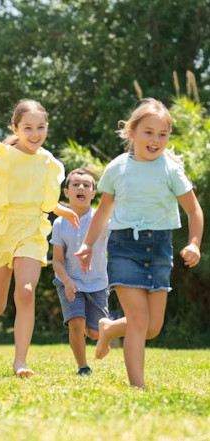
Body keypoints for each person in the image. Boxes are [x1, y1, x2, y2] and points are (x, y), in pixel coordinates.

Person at [75, 98, 203, 388]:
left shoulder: (170, 169)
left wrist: (194, 243)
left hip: (160, 248)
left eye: (162, 134)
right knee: (138, 320)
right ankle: (138, 386)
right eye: (148, 132)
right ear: (132, 133)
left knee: (152, 328)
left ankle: (108, 328)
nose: (156, 140)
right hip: (124, 247)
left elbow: (194, 210)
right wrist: (87, 244)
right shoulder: (118, 168)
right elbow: (104, 211)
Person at [0, 99, 79, 377]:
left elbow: (45, 200)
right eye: (28, 127)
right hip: (1, 228)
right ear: (15, 128)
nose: (35, 133)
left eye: (40, 127)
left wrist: (61, 209)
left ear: (47, 127)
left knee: (25, 292)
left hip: (31, 228)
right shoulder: (2, 155)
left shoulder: (49, 162)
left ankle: (20, 361)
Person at [51, 169, 109, 376]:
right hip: (69, 281)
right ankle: (83, 367)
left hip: (98, 282)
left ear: (94, 193)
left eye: (87, 185)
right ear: (66, 192)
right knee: (76, 323)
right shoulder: (59, 223)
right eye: (75, 184)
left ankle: (104, 334)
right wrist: (66, 281)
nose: (81, 188)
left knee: (94, 333)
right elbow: (57, 261)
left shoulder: (103, 219)